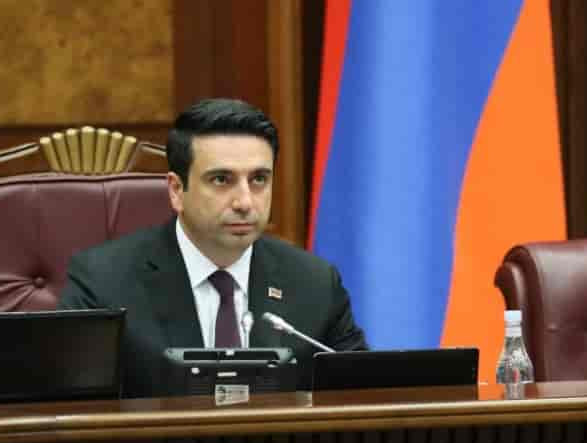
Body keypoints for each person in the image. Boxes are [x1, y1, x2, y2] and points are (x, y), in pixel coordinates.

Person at [58, 98, 367, 397]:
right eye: (221, 180)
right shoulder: (102, 283)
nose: (245, 202)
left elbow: (363, 395)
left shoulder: (315, 283)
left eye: (259, 179)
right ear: (177, 190)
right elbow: (71, 407)